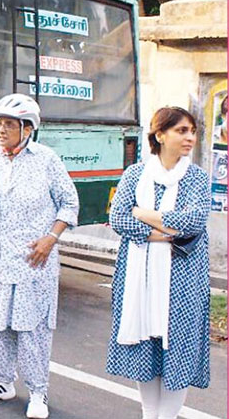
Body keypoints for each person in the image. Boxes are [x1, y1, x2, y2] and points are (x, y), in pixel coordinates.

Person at [0, 93, 79, 419]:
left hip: (32, 260)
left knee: (31, 328)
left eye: (9, 124)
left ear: (28, 128)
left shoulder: (46, 160)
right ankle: (0, 381)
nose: (1, 130)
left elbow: (69, 203)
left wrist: (50, 239)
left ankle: (38, 391)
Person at [107, 106, 210, 419]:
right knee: (146, 346)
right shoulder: (135, 174)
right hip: (140, 276)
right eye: (182, 131)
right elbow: (117, 218)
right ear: (160, 134)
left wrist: (143, 214)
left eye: (192, 131)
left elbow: (194, 221)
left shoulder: (197, 178)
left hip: (184, 278)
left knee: (177, 345)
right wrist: (161, 234)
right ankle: (150, 414)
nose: (189, 137)